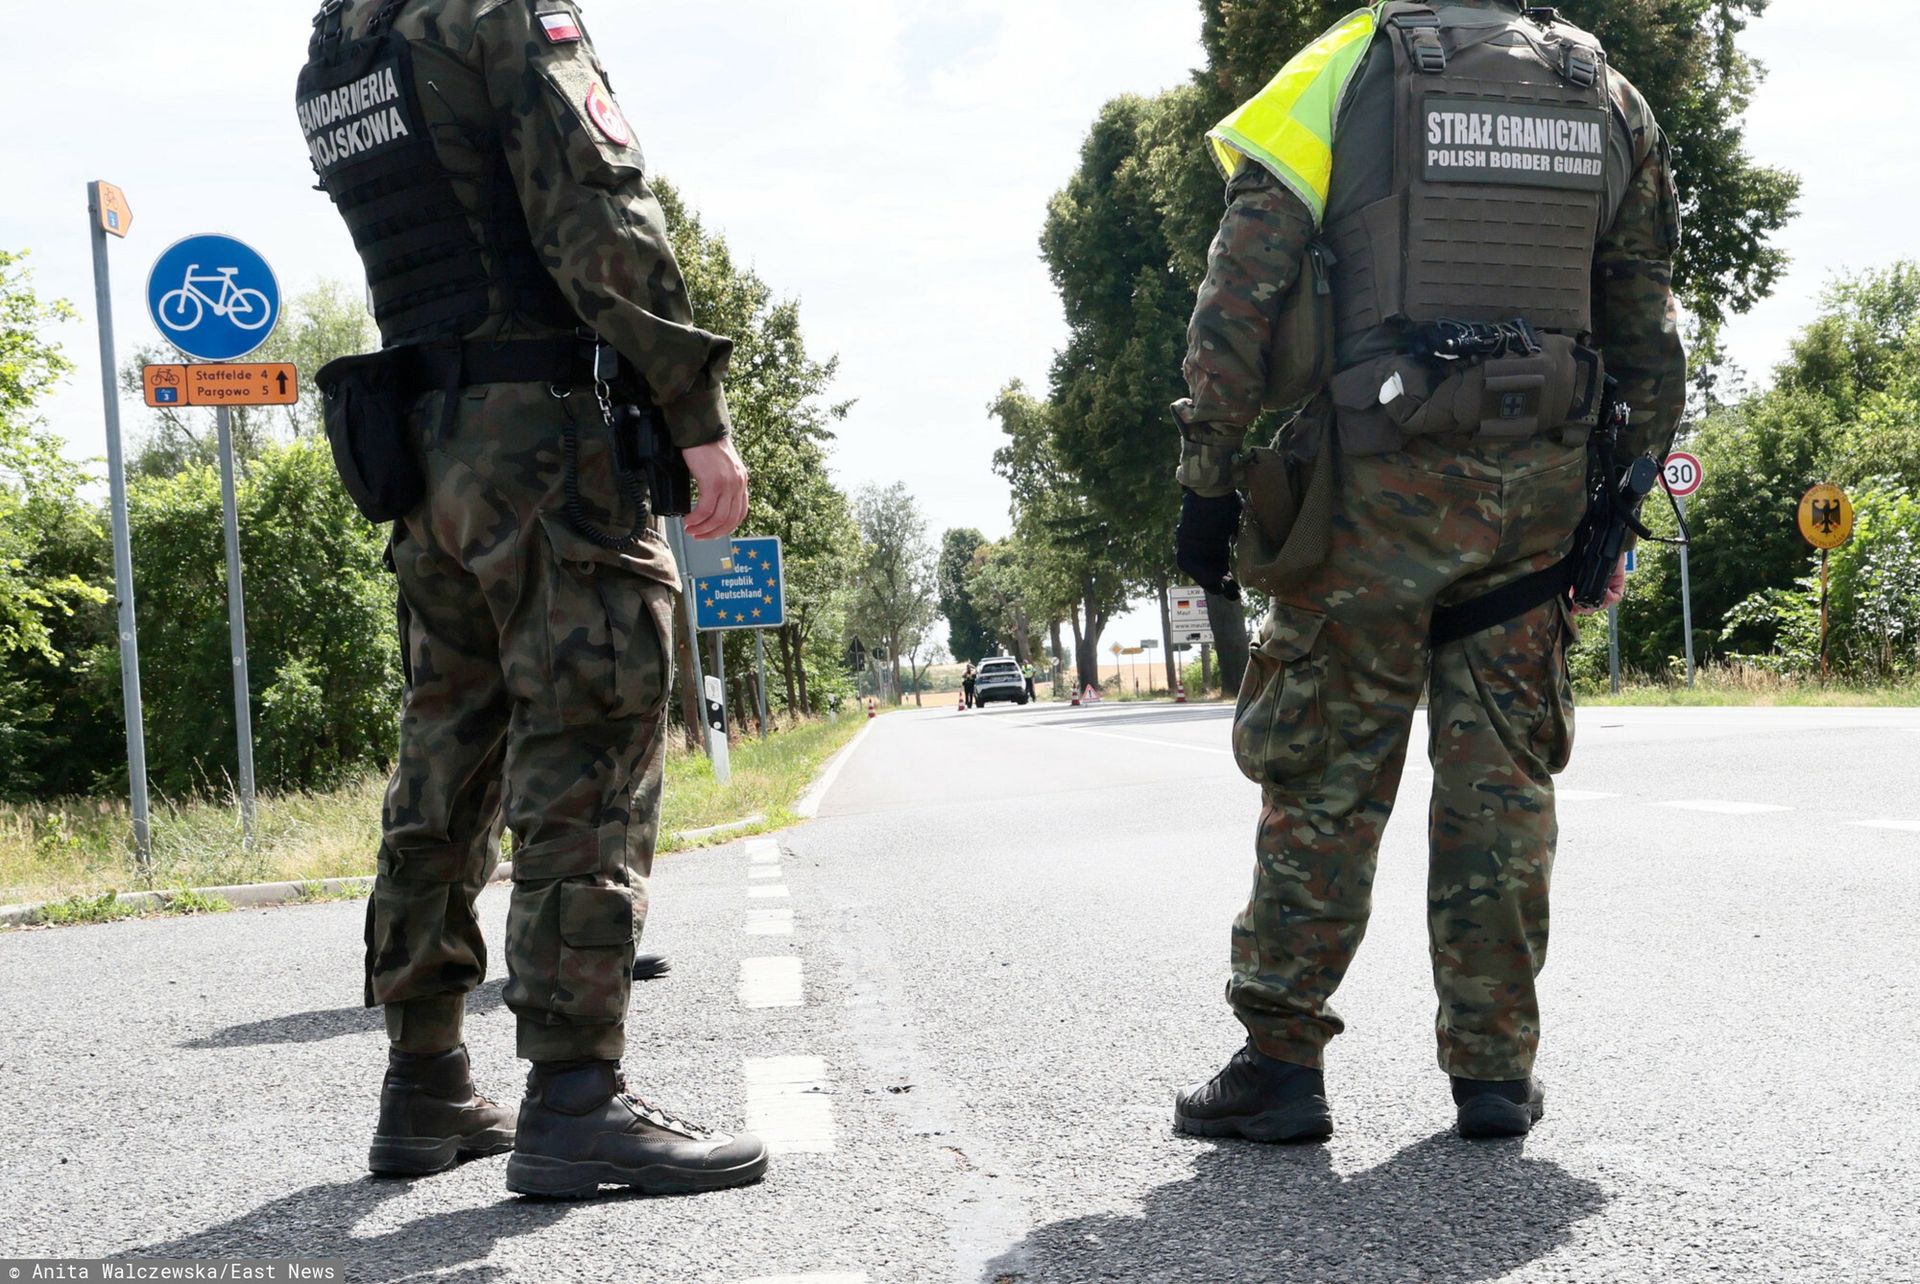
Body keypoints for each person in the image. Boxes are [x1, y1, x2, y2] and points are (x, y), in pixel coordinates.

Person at [1170, 0, 1683, 1141]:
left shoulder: (1346, 66)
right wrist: (1625, 490)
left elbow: (1242, 280)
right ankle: (1495, 1072)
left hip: (1377, 495)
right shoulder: (1604, 90)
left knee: (1327, 771)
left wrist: (1209, 475)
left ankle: (1281, 1064)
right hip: (1537, 496)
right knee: (1501, 776)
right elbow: (1642, 305)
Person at [298, 0, 765, 1196]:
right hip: (541, 446)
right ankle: (575, 1097)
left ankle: (428, 1087)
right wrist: (695, 414)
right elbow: (596, 217)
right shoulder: (502, 14)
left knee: (444, 757)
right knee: (589, 746)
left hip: (424, 445)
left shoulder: (345, 37)